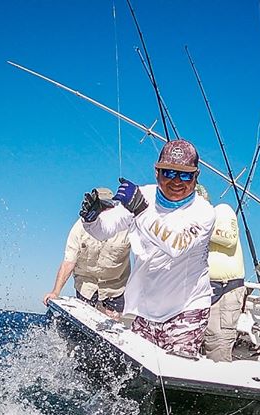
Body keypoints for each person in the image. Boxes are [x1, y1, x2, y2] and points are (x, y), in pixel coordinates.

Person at [79, 139, 216, 359]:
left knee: (176, 370)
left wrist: (141, 210)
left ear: (196, 176)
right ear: (157, 172)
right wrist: (91, 218)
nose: (176, 181)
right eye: (169, 173)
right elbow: (104, 230)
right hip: (144, 310)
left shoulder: (204, 212)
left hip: (187, 310)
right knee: (137, 373)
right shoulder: (143, 195)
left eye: (185, 175)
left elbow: (176, 246)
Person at [42, 188, 131, 315]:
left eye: (108, 206)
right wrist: (55, 292)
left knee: (113, 326)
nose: (104, 210)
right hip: (86, 285)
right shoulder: (79, 227)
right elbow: (68, 262)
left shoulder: (126, 227)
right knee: (85, 320)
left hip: (115, 286)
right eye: (100, 206)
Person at [196, 185, 246, 362]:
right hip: (198, 290)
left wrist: (197, 226)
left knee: (218, 344)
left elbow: (229, 239)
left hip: (225, 290)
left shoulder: (222, 211)